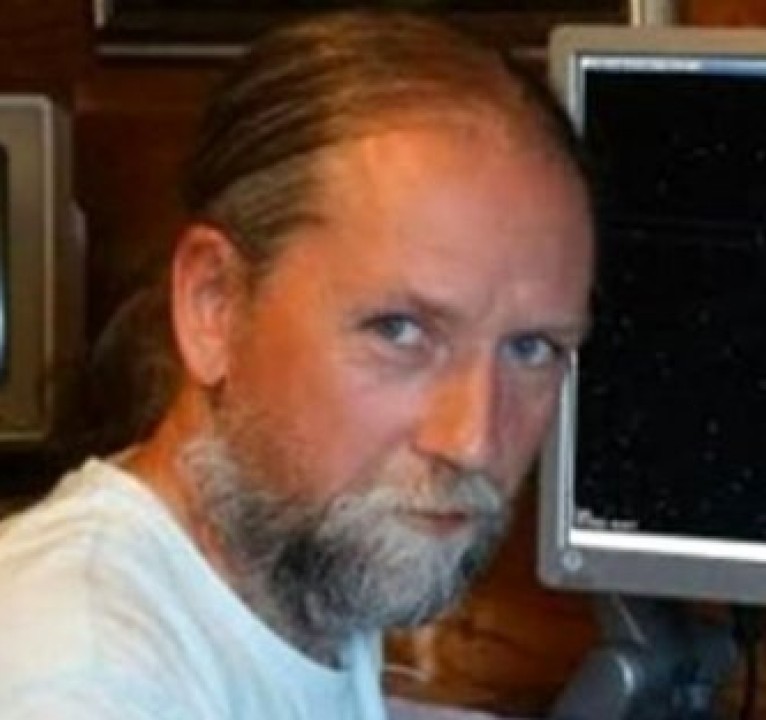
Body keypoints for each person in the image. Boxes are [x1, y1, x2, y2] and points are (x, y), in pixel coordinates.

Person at [0, 11, 594, 719]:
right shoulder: (83, 680)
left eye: (532, 348)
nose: (473, 441)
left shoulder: (299, 561)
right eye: (399, 331)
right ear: (214, 304)